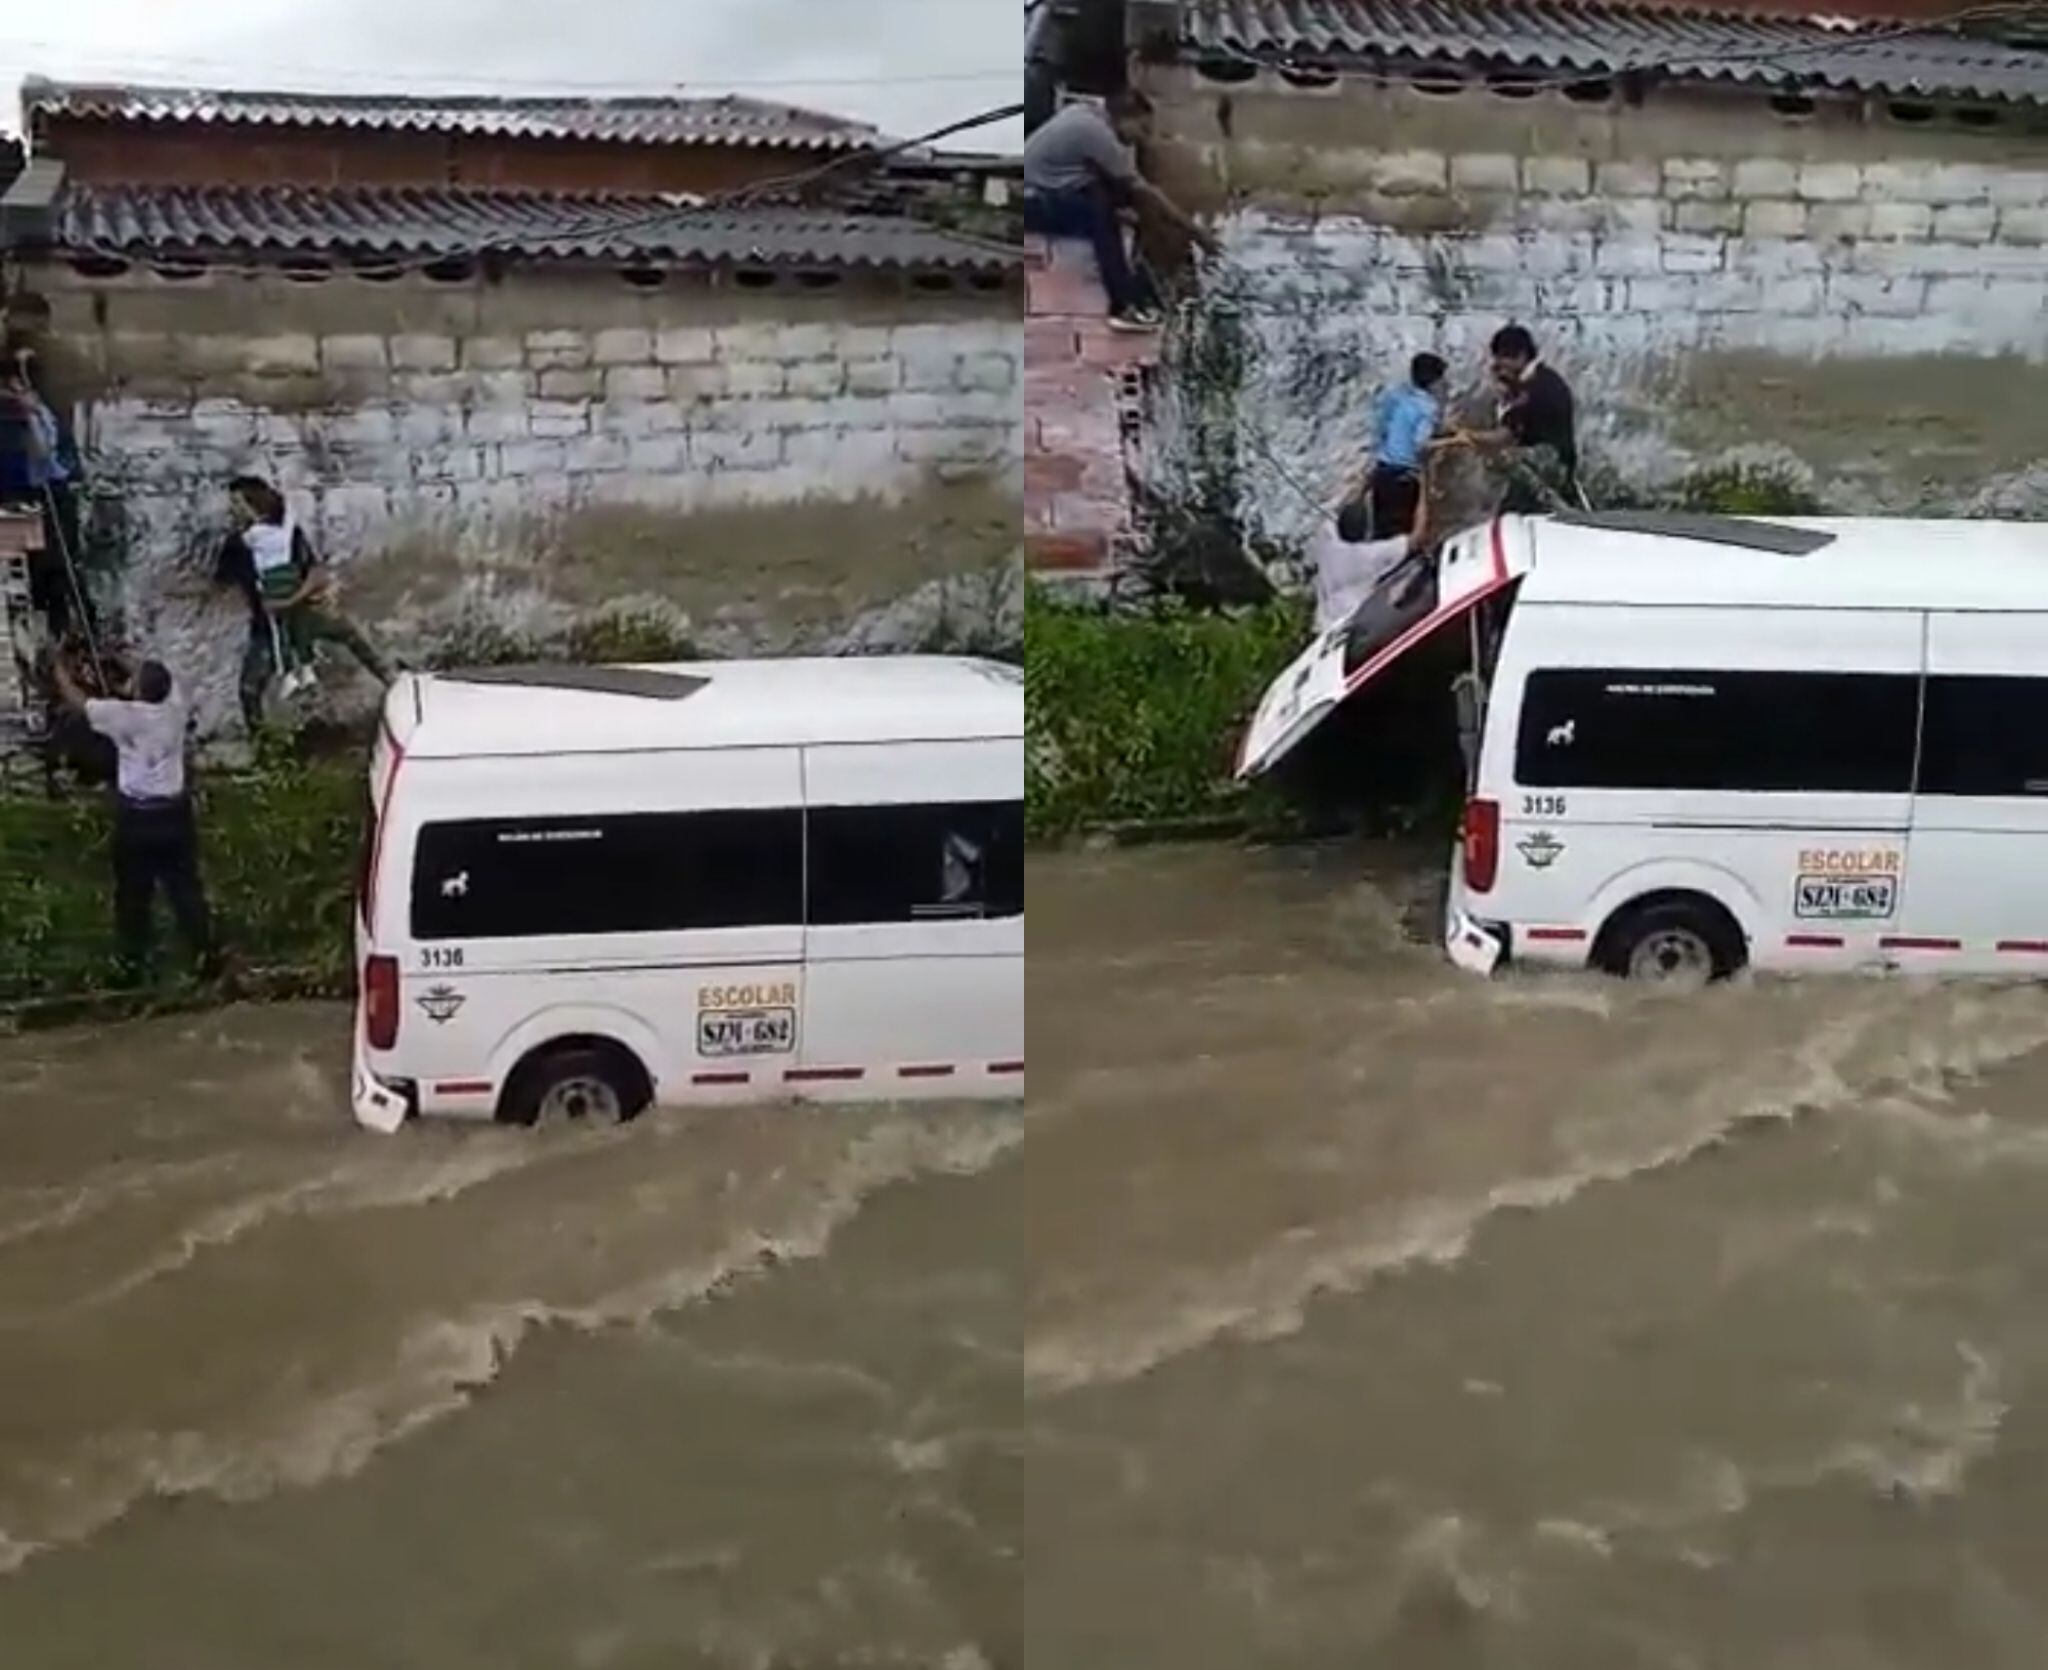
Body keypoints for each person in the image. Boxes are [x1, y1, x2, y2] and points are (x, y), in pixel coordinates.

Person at [51, 648, 220, 982]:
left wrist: (59, 668)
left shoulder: (123, 715)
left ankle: (132, 969)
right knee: (186, 889)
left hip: (138, 820)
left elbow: (77, 702)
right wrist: (117, 655)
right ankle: (205, 959)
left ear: (138, 690)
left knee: (132, 895)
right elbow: (156, 677)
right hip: (174, 815)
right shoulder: (175, 709)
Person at [1022, 90, 1218, 333]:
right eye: (1142, 130)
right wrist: (1199, 234)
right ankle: (1122, 307)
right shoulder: (1096, 134)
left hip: (1050, 187)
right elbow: (1145, 191)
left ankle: (1149, 274)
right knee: (1101, 218)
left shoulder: (1088, 112)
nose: (1143, 139)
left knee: (1111, 196)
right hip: (1031, 203)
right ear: (1126, 118)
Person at [214, 475, 393, 731]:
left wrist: (292, 599)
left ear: (252, 505)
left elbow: (315, 570)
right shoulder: (238, 544)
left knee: (352, 636)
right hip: (269, 625)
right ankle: (264, 747)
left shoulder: (289, 533)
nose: (231, 510)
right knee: (250, 689)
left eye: (236, 503)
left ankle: (395, 684)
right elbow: (222, 580)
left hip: (304, 611)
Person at [0, 312, 89, 639]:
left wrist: (31, 410)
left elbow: (50, 461)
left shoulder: (40, 417)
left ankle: (59, 628)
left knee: (55, 571)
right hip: (21, 496)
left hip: (42, 498)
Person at [1445, 325, 1581, 514]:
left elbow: (1502, 438)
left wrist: (1465, 435)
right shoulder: (1544, 378)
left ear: (1521, 356)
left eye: (1503, 358)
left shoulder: (1532, 389)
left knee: (1500, 465)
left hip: (1544, 468)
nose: (1497, 365)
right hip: (1555, 464)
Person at [1312, 466, 1432, 634]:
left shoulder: (1326, 534)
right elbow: (1418, 538)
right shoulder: (1369, 556)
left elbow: (1340, 507)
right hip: (1351, 626)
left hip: (1325, 621)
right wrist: (1424, 485)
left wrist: (1366, 482)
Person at [1364, 352, 1447, 539]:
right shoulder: (1429, 407)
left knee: (1380, 534)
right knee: (1401, 540)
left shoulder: (1396, 395)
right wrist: (1455, 442)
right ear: (1434, 381)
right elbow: (1421, 444)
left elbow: (1382, 427)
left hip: (1382, 473)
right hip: (1404, 479)